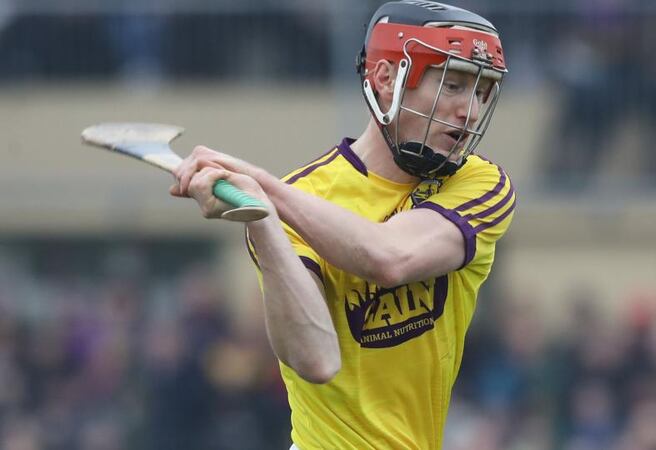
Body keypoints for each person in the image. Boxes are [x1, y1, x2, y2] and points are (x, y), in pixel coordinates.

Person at [170, 1, 515, 448]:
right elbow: (315, 359)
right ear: (386, 78)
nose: (470, 111)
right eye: (453, 84)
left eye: (482, 92)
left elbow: (390, 257)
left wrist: (265, 189)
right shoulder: (299, 199)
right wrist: (261, 219)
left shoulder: (480, 183)